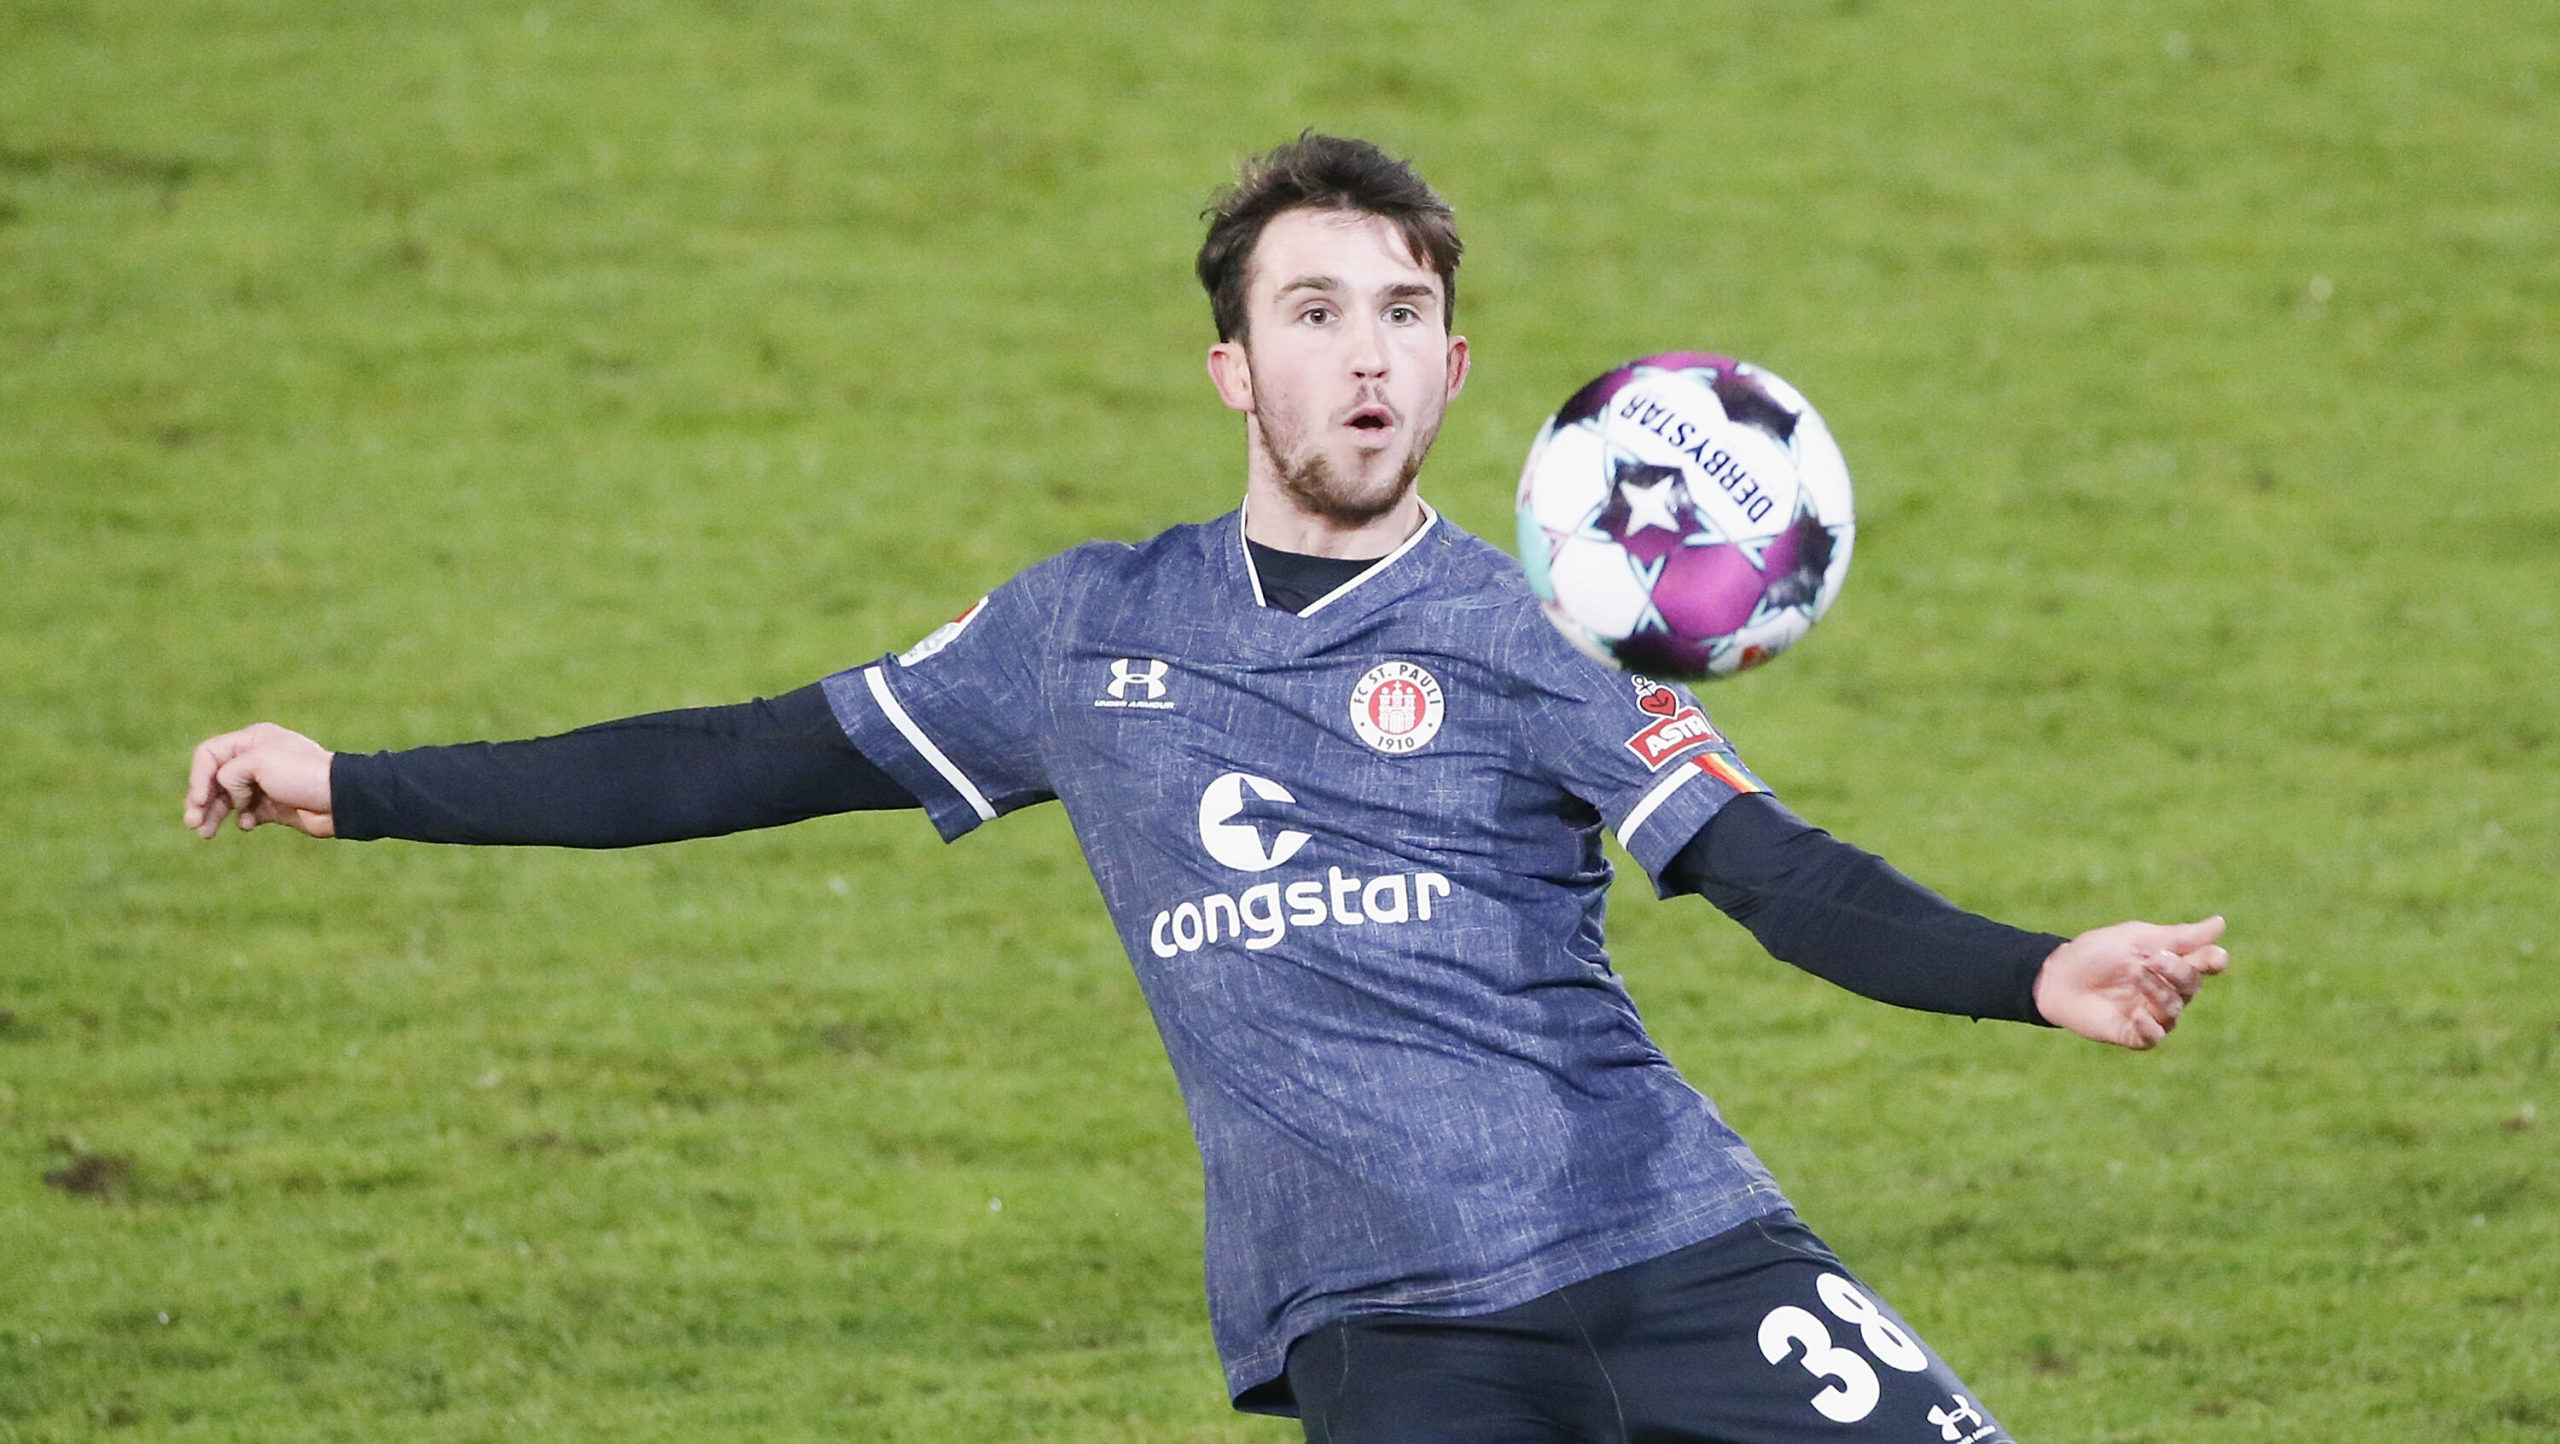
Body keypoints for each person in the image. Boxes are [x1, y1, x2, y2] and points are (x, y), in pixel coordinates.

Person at [182, 134, 2228, 1443]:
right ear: (1234, 367)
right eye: (1314, 313)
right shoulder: (1079, 636)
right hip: (1389, 1330)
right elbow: (738, 756)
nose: (1367, 356)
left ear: (1453, 370)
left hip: (1681, 1247)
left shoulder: (1533, 634)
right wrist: (358, 784)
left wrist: (2031, 968)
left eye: (1405, 316)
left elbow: (1774, 873)